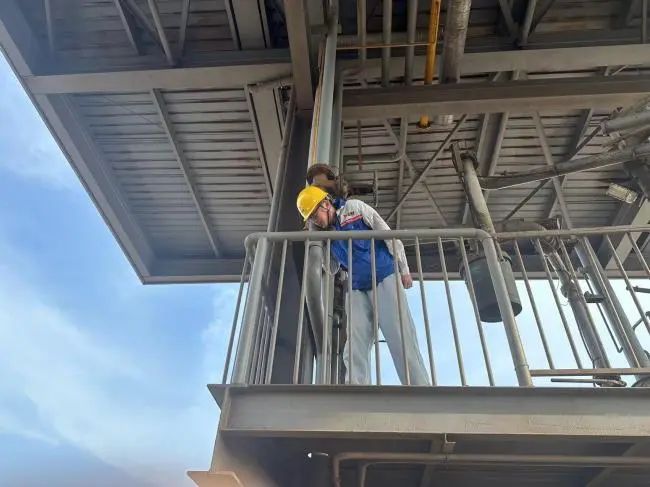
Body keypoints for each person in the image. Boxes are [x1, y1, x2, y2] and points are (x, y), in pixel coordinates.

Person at [296, 185, 430, 385]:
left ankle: (419, 388)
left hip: (383, 275)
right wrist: (320, 243)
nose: (316, 221)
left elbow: (386, 233)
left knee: (399, 334)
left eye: (315, 215)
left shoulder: (354, 208)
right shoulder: (328, 234)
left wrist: (404, 269)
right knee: (355, 340)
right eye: (312, 220)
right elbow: (332, 268)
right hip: (356, 285)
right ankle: (356, 387)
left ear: (325, 204)